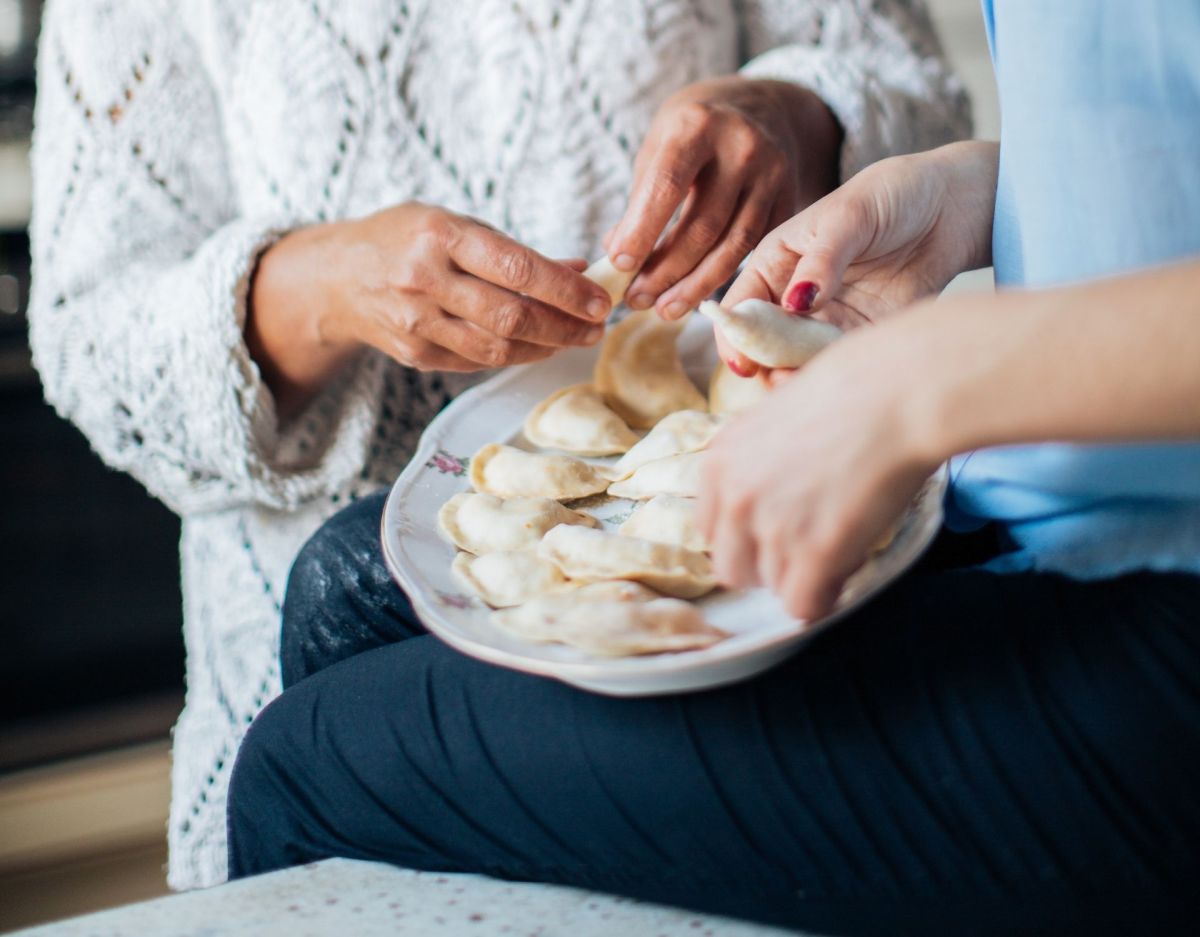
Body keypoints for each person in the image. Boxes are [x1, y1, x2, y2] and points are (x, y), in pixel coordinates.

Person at [225, 1, 1199, 933]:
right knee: (344, 587)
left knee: (300, 768)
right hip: (1052, 488)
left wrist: (926, 380)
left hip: (1163, 600)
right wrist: (983, 193)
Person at [26, 0, 967, 889]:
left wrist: (801, 118)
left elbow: (919, 96)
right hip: (313, 644)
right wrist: (321, 287)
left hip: (752, 605)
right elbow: (89, 338)